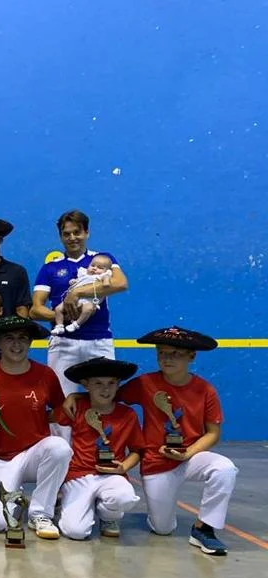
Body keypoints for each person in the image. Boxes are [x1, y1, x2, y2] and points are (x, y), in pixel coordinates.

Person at [118, 327, 236, 555]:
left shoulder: (205, 390)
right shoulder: (144, 383)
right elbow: (108, 396)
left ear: (192, 356)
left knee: (224, 468)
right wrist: (77, 396)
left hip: (191, 458)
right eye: (162, 352)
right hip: (156, 463)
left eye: (175, 353)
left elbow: (213, 433)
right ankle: (159, 515)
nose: (167, 358)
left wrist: (187, 453)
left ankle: (204, 529)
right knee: (163, 529)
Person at [0, 316, 71, 539]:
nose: (17, 344)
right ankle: (12, 494)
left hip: (35, 454)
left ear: (30, 342)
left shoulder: (45, 374)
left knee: (59, 448)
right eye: (9, 338)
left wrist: (77, 398)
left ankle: (40, 513)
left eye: (23, 338)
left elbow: (60, 409)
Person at [30, 210, 130, 396]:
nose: (72, 238)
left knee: (104, 401)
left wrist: (76, 292)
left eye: (77, 232)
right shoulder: (50, 268)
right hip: (63, 343)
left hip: (99, 341)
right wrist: (63, 316)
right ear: (60, 237)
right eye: (66, 234)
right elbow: (35, 310)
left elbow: (120, 283)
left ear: (87, 232)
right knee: (61, 402)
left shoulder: (102, 259)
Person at [53, 358, 144, 540]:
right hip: (78, 476)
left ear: (118, 385)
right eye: (98, 383)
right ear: (86, 385)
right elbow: (47, 418)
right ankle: (72, 504)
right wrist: (71, 398)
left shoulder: (128, 414)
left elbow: (137, 451)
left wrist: (123, 468)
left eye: (111, 383)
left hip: (112, 475)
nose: (105, 389)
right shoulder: (75, 408)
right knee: (76, 532)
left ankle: (108, 516)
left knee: (124, 497)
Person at [51, 254, 114, 336]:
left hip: (89, 300)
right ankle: (59, 326)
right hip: (73, 299)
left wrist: (106, 282)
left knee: (88, 309)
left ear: (106, 271)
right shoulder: (83, 274)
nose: (94, 268)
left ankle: (76, 324)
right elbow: (78, 281)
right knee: (58, 309)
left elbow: (107, 280)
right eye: (92, 265)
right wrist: (73, 281)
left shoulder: (101, 276)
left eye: (100, 268)